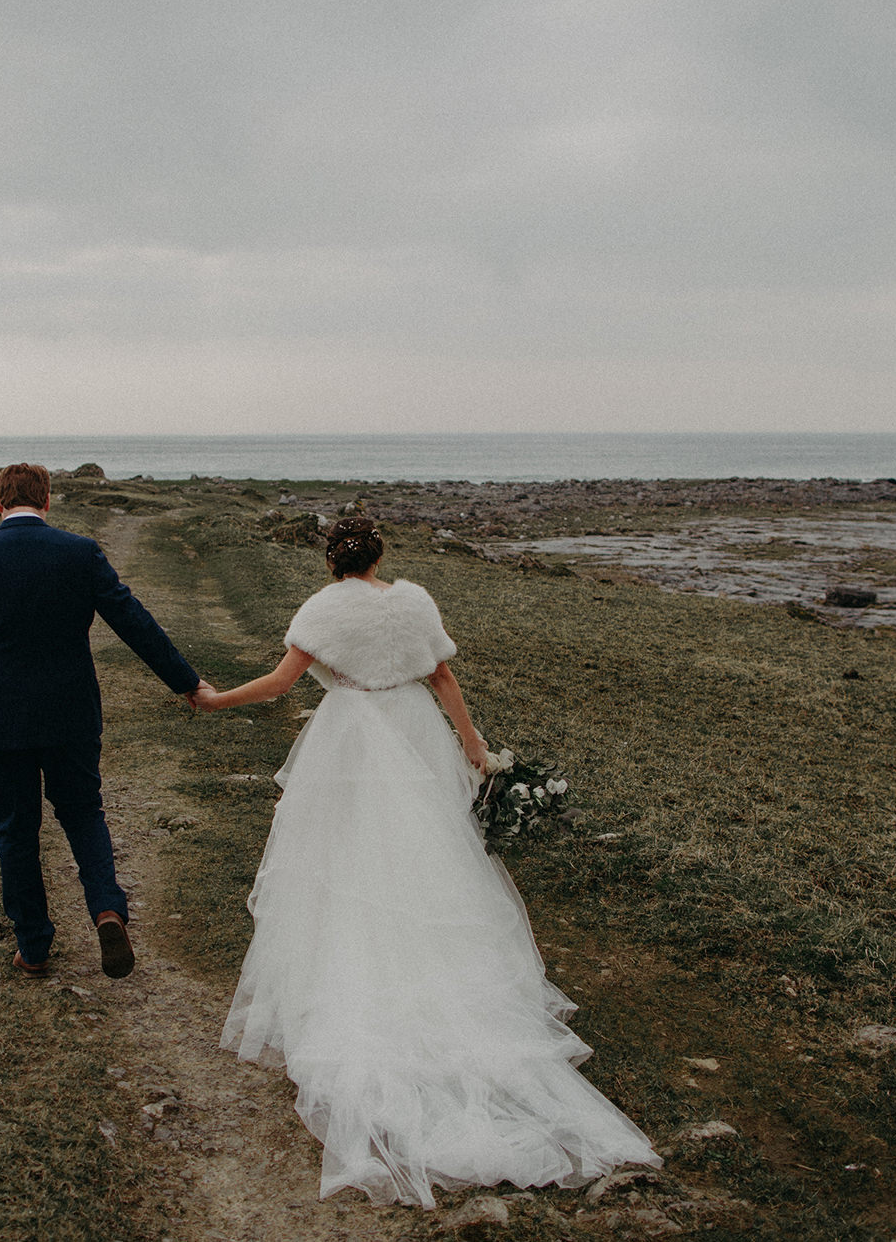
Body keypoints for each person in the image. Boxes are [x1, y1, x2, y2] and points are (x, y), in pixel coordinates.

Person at [192, 515, 660, 1208]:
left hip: (351, 735)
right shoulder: (413, 601)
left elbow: (283, 682)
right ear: (380, 555)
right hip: (412, 731)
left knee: (346, 861)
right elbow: (441, 676)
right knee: (426, 853)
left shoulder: (322, 608)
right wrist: (473, 746)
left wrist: (215, 698)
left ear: (330, 563)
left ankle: (349, 976)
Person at [0, 462, 214, 980]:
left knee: (17, 831)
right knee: (84, 813)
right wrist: (186, 682)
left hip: (4, 722)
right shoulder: (79, 553)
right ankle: (107, 909)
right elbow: (133, 621)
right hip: (71, 716)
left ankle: (34, 946)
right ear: (47, 501)